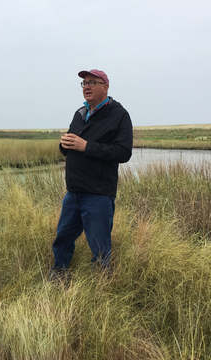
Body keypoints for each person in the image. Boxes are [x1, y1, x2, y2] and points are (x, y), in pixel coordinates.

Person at [50, 69, 133, 279]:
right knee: (64, 236)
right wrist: (64, 145)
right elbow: (72, 146)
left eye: (92, 82)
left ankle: (102, 284)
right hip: (73, 191)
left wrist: (86, 146)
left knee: (99, 243)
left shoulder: (119, 115)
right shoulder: (80, 113)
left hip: (98, 192)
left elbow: (123, 152)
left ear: (105, 87)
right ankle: (59, 273)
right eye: (84, 83)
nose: (87, 86)